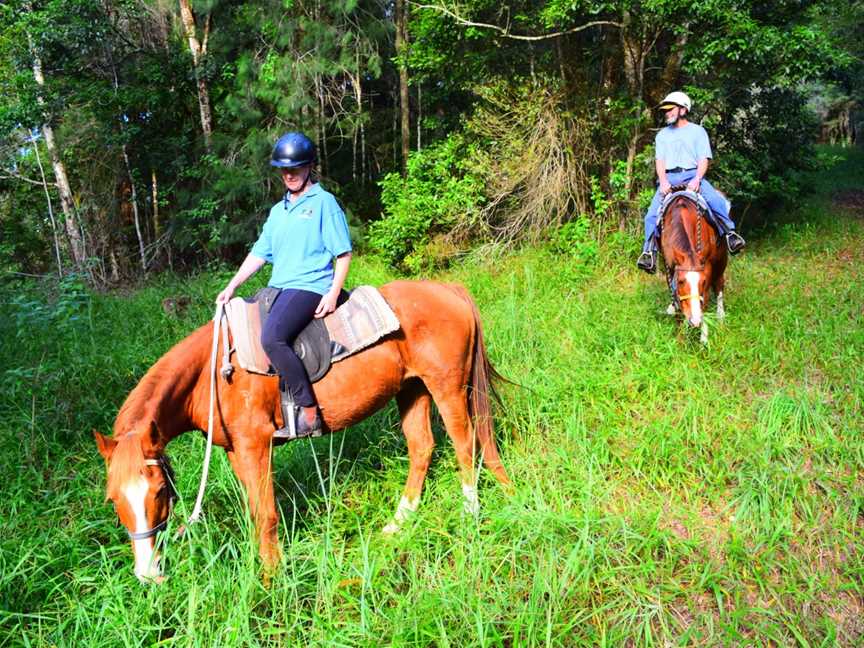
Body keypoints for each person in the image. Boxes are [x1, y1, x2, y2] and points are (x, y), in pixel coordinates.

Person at [216, 132, 352, 438]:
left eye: (296, 167)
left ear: (309, 167)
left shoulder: (323, 202)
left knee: (273, 338)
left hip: (310, 285)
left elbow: (343, 253)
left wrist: (332, 293)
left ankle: (309, 412)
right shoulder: (278, 211)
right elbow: (259, 253)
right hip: (279, 287)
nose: (289, 174)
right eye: (284, 169)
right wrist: (233, 285)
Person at [636, 91, 745, 274]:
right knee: (650, 216)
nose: (667, 113)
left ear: (683, 109)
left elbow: (703, 159)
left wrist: (697, 180)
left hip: (692, 174)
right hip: (669, 177)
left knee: (716, 201)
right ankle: (648, 253)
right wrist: (663, 182)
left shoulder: (697, 131)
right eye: (666, 110)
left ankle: (730, 235)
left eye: (671, 109)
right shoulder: (662, 135)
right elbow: (660, 161)